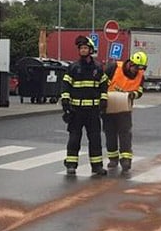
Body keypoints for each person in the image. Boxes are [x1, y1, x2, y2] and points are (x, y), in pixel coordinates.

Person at [61, 35, 109, 176]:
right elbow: (66, 86)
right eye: (81, 48)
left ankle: (97, 166)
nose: (82, 50)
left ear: (90, 50)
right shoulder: (73, 68)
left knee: (95, 139)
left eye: (85, 48)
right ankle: (71, 165)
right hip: (76, 110)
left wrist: (103, 99)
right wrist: (65, 102)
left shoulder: (98, 68)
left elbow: (104, 86)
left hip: (93, 111)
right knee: (74, 138)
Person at [102, 50, 147, 174]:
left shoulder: (140, 75)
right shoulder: (114, 67)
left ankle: (126, 159)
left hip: (125, 106)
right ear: (130, 63)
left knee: (125, 133)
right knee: (110, 132)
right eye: (136, 68)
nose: (137, 71)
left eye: (140, 69)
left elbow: (140, 91)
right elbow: (101, 82)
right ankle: (113, 158)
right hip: (108, 105)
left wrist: (133, 95)